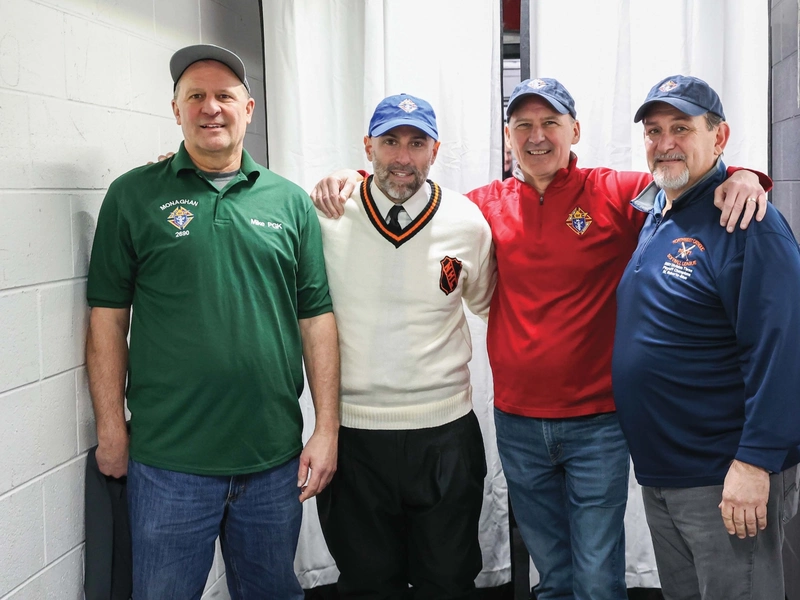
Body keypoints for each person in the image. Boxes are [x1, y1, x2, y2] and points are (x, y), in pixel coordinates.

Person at [311, 78, 769, 600]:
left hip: (598, 423)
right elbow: (416, 198)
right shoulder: (479, 207)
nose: (537, 136)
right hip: (519, 423)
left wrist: (744, 177)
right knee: (551, 577)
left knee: (596, 577)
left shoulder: (616, 191)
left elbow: (682, 177)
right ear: (508, 137)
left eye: (551, 123)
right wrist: (350, 177)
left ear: (575, 130)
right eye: (523, 125)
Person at [85, 44, 339, 599]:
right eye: (194, 96)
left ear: (249, 108)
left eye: (224, 96)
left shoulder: (290, 203)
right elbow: (106, 319)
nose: (210, 108)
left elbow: (316, 319)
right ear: (175, 110)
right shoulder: (133, 196)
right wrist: (110, 427)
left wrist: (326, 428)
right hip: (167, 463)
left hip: (272, 461)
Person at [612, 75, 800, 599]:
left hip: (724, 475)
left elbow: (782, 349)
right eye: (653, 131)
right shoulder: (658, 212)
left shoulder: (747, 223)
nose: (664, 142)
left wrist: (755, 462)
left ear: (719, 138)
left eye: (681, 128)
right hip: (666, 473)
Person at [314, 93, 496, 599]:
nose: (402, 156)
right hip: (356, 434)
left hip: (444, 433)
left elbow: (484, 303)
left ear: (434, 150)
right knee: (368, 584)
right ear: (367, 145)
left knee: (449, 582)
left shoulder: (466, 221)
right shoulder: (327, 213)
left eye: (416, 143)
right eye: (390, 141)